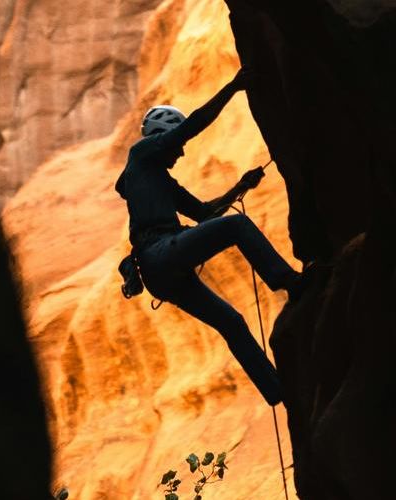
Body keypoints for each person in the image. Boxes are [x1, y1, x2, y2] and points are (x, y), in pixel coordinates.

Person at [115, 67, 305, 407]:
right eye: (176, 142)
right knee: (236, 227)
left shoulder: (155, 177)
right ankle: (290, 282)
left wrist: (241, 187)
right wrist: (232, 88)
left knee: (231, 322)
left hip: (160, 269)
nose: (182, 152)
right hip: (160, 253)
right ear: (162, 135)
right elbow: (193, 127)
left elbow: (203, 213)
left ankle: (280, 394)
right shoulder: (141, 155)